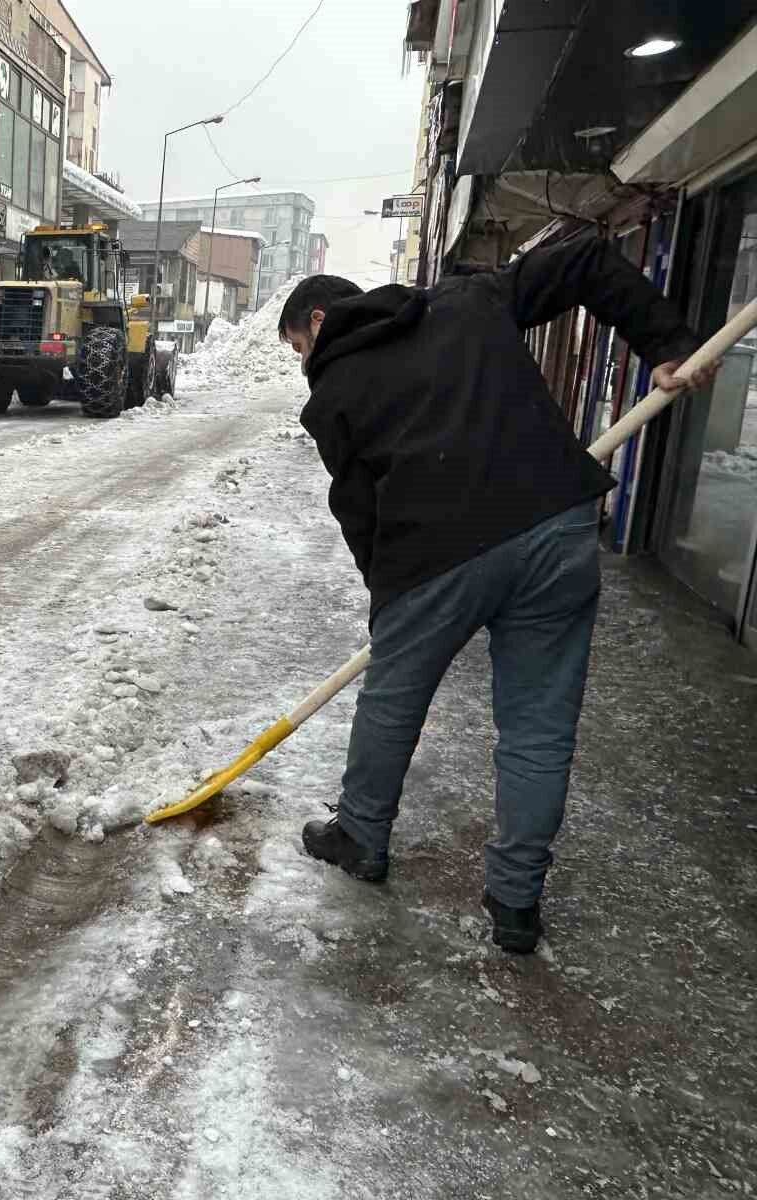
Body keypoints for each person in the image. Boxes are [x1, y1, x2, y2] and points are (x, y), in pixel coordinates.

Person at [278, 237, 720, 955]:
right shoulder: (466, 301)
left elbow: (360, 516)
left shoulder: (333, 397)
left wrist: (389, 607)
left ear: (321, 321)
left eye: (298, 346)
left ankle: (360, 835)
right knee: (539, 727)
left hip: (433, 556)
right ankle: (516, 901)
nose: (303, 364)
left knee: (392, 699)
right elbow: (581, 261)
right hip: (554, 524)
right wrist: (666, 340)